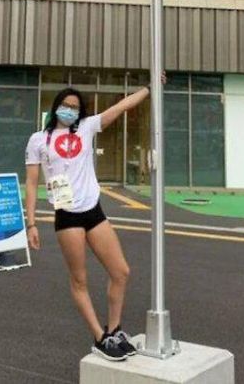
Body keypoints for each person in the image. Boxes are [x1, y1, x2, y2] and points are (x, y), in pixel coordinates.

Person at [25, 80, 159, 362]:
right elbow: (32, 182)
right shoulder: (38, 140)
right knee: (79, 279)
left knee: (121, 271)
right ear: (56, 107)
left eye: (75, 107)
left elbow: (121, 106)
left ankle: (114, 329)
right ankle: (99, 337)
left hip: (94, 211)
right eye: (65, 105)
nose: (69, 111)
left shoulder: (86, 127)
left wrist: (148, 89)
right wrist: (32, 223)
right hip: (67, 216)